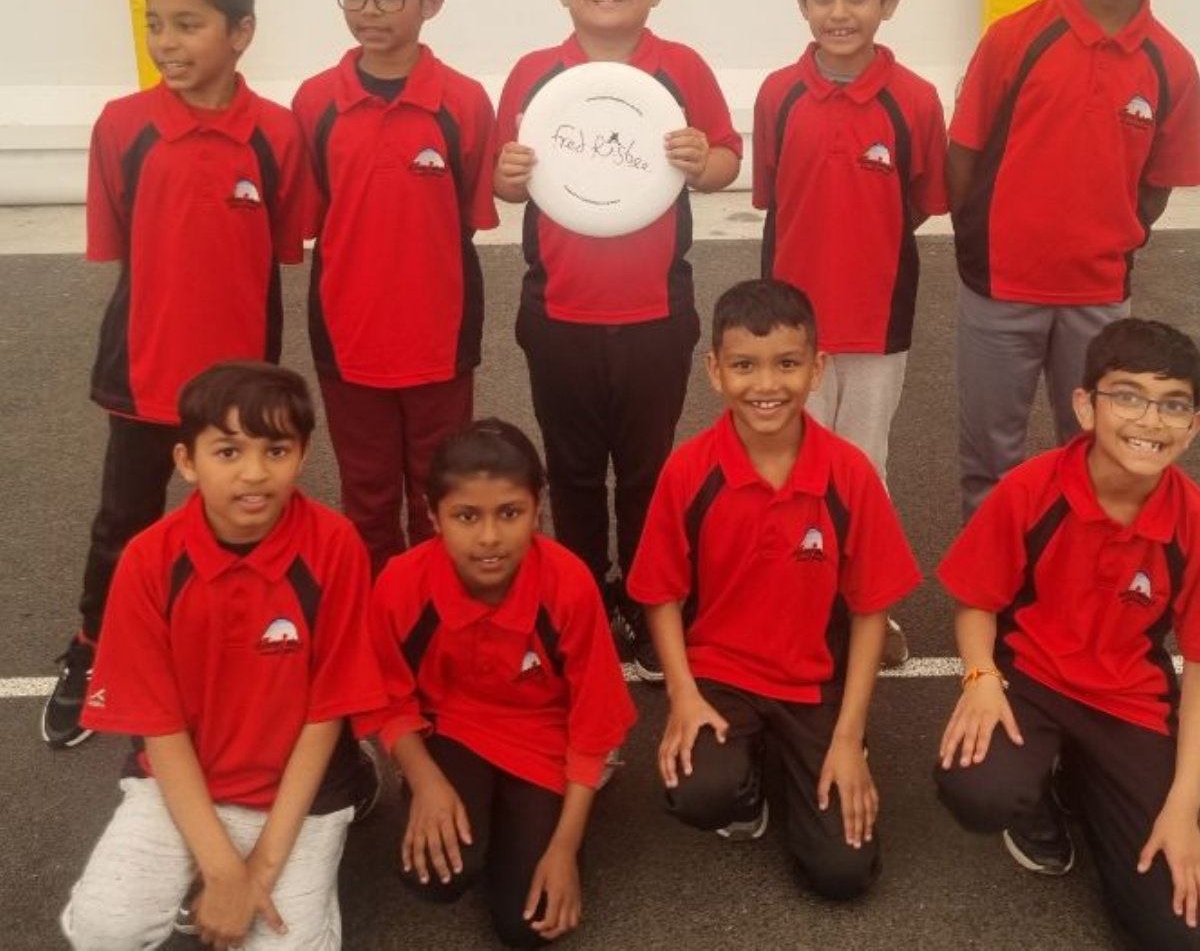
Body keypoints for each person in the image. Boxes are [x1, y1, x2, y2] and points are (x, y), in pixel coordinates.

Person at [42, 0, 309, 750]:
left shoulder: (277, 133)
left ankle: (246, 652)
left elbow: (282, 245)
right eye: (156, 24)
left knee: (245, 521)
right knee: (123, 522)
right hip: (144, 375)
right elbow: (122, 242)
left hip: (242, 386)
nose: (167, 42)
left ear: (242, 33)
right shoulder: (121, 127)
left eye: (188, 24)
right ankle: (93, 650)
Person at [493, 0, 742, 681]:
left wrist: (704, 160)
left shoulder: (682, 70)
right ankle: (583, 594)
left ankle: (640, 595)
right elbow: (507, 186)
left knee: (644, 470)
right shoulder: (536, 75)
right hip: (558, 312)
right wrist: (506, 176)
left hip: (656, 316)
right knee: (569, 470)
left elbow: (727, 161)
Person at [60, 361, 385, 950]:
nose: (254, 474)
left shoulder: (334, 547)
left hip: (300, 794)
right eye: (228, 452)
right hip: (183, 783)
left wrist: (258, 870)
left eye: (276, 450)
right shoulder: (147, 559)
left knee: (283, 942)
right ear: (186, 462)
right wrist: (222, 871)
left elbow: (325, 716)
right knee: (103, 931)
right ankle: (201, 879)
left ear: (303, 454)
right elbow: (158, 726)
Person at [627, 279, 921, 899]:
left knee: (843, 875)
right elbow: (659, 592)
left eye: (787, 364)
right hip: (720, 677)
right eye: (744, 366)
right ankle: (744, 779)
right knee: (699, 793)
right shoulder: (689, 470)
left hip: (815, 683)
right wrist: (681, 695)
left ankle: (808, 754)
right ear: (714, 371)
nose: (766, 385)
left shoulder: (848, 474)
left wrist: (849, 736)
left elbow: (871, 611)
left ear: (817, 369)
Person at [948, 0, 1200, 519]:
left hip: (1097, 296)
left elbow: (1153, 190)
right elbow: (963, 160)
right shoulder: (1015, 40)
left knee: (1096, 449)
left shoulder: (1173, 66)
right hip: (1000, 287)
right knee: (990, 463)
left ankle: (1073, 594)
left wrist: (1105, 237)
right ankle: (991, 605)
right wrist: (986, 240)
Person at [934, 318, 1200, 951]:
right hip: (1030, 680)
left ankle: (1079, 775)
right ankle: (1034, 802)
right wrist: (979, 679)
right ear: (1085, 406)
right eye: (1127, 396)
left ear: (1193, 426)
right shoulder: (1031, 488)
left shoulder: (1192, 521)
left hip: (1128, 701)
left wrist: (1185, 804)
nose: (1149, 419)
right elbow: (974, 602)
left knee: (1173, 933)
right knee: (979, 787)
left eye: (1173, 405)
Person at [754, 0, 948, 668]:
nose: (841, 12)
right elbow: (771, 195)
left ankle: (868, 609)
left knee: (863, 472)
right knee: (789, 466)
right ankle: (795, 603)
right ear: (802, 1)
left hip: (876, 327)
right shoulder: (777, 95)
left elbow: (926, 198)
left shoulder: (916, 100)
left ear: (891, 2)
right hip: (790, 333)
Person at [360, 419, 636, 947]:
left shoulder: (570, 584)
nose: (489, 537)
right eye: (466, 516)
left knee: (526, 927)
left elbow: (595, 723)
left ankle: (539, 820)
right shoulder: (400, 583)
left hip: (546, 737)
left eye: (509, 514)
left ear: (538, 508)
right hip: (453, 729)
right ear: (433, 515)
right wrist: (425, 781)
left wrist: (562, 849)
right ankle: (477, 815)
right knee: (435, 875)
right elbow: (389, 697)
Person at [293, 0, 497, 575]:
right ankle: (379, 622)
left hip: (438, 341)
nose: (368, 9)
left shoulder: (463, 103)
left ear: (431, 1)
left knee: (439, 491)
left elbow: (465, 216)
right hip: (348, 341)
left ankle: (438, 615)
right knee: (369, 499)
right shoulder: (315, 102)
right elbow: (316, 219)